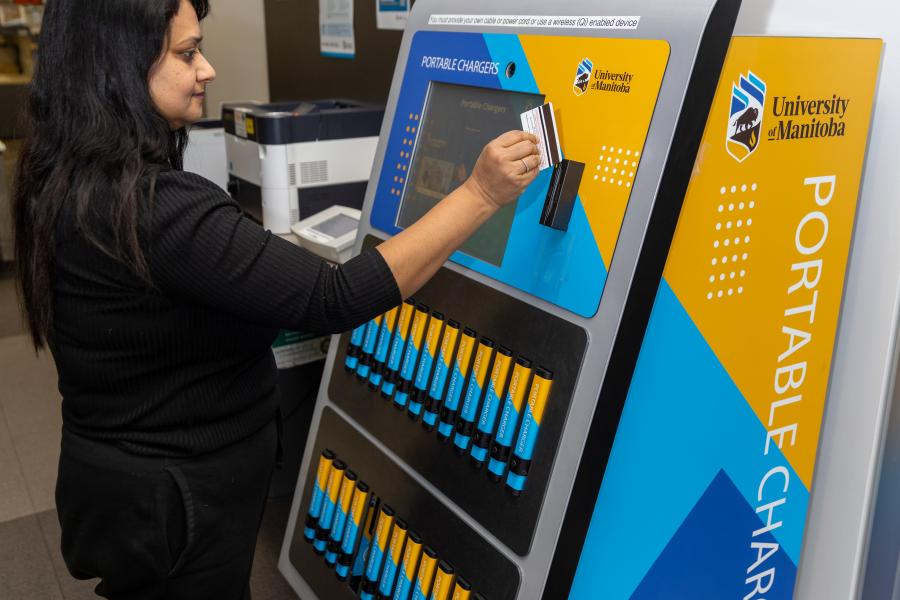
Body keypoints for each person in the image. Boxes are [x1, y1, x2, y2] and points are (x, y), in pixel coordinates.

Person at [12, 0, 539, 598]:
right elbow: (332, 297)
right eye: (187, 53)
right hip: (175, 500)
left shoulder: (59, 174)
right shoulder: (153, 207)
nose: (206, 69)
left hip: (117, 480)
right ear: (119, 65)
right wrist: (479, 193)